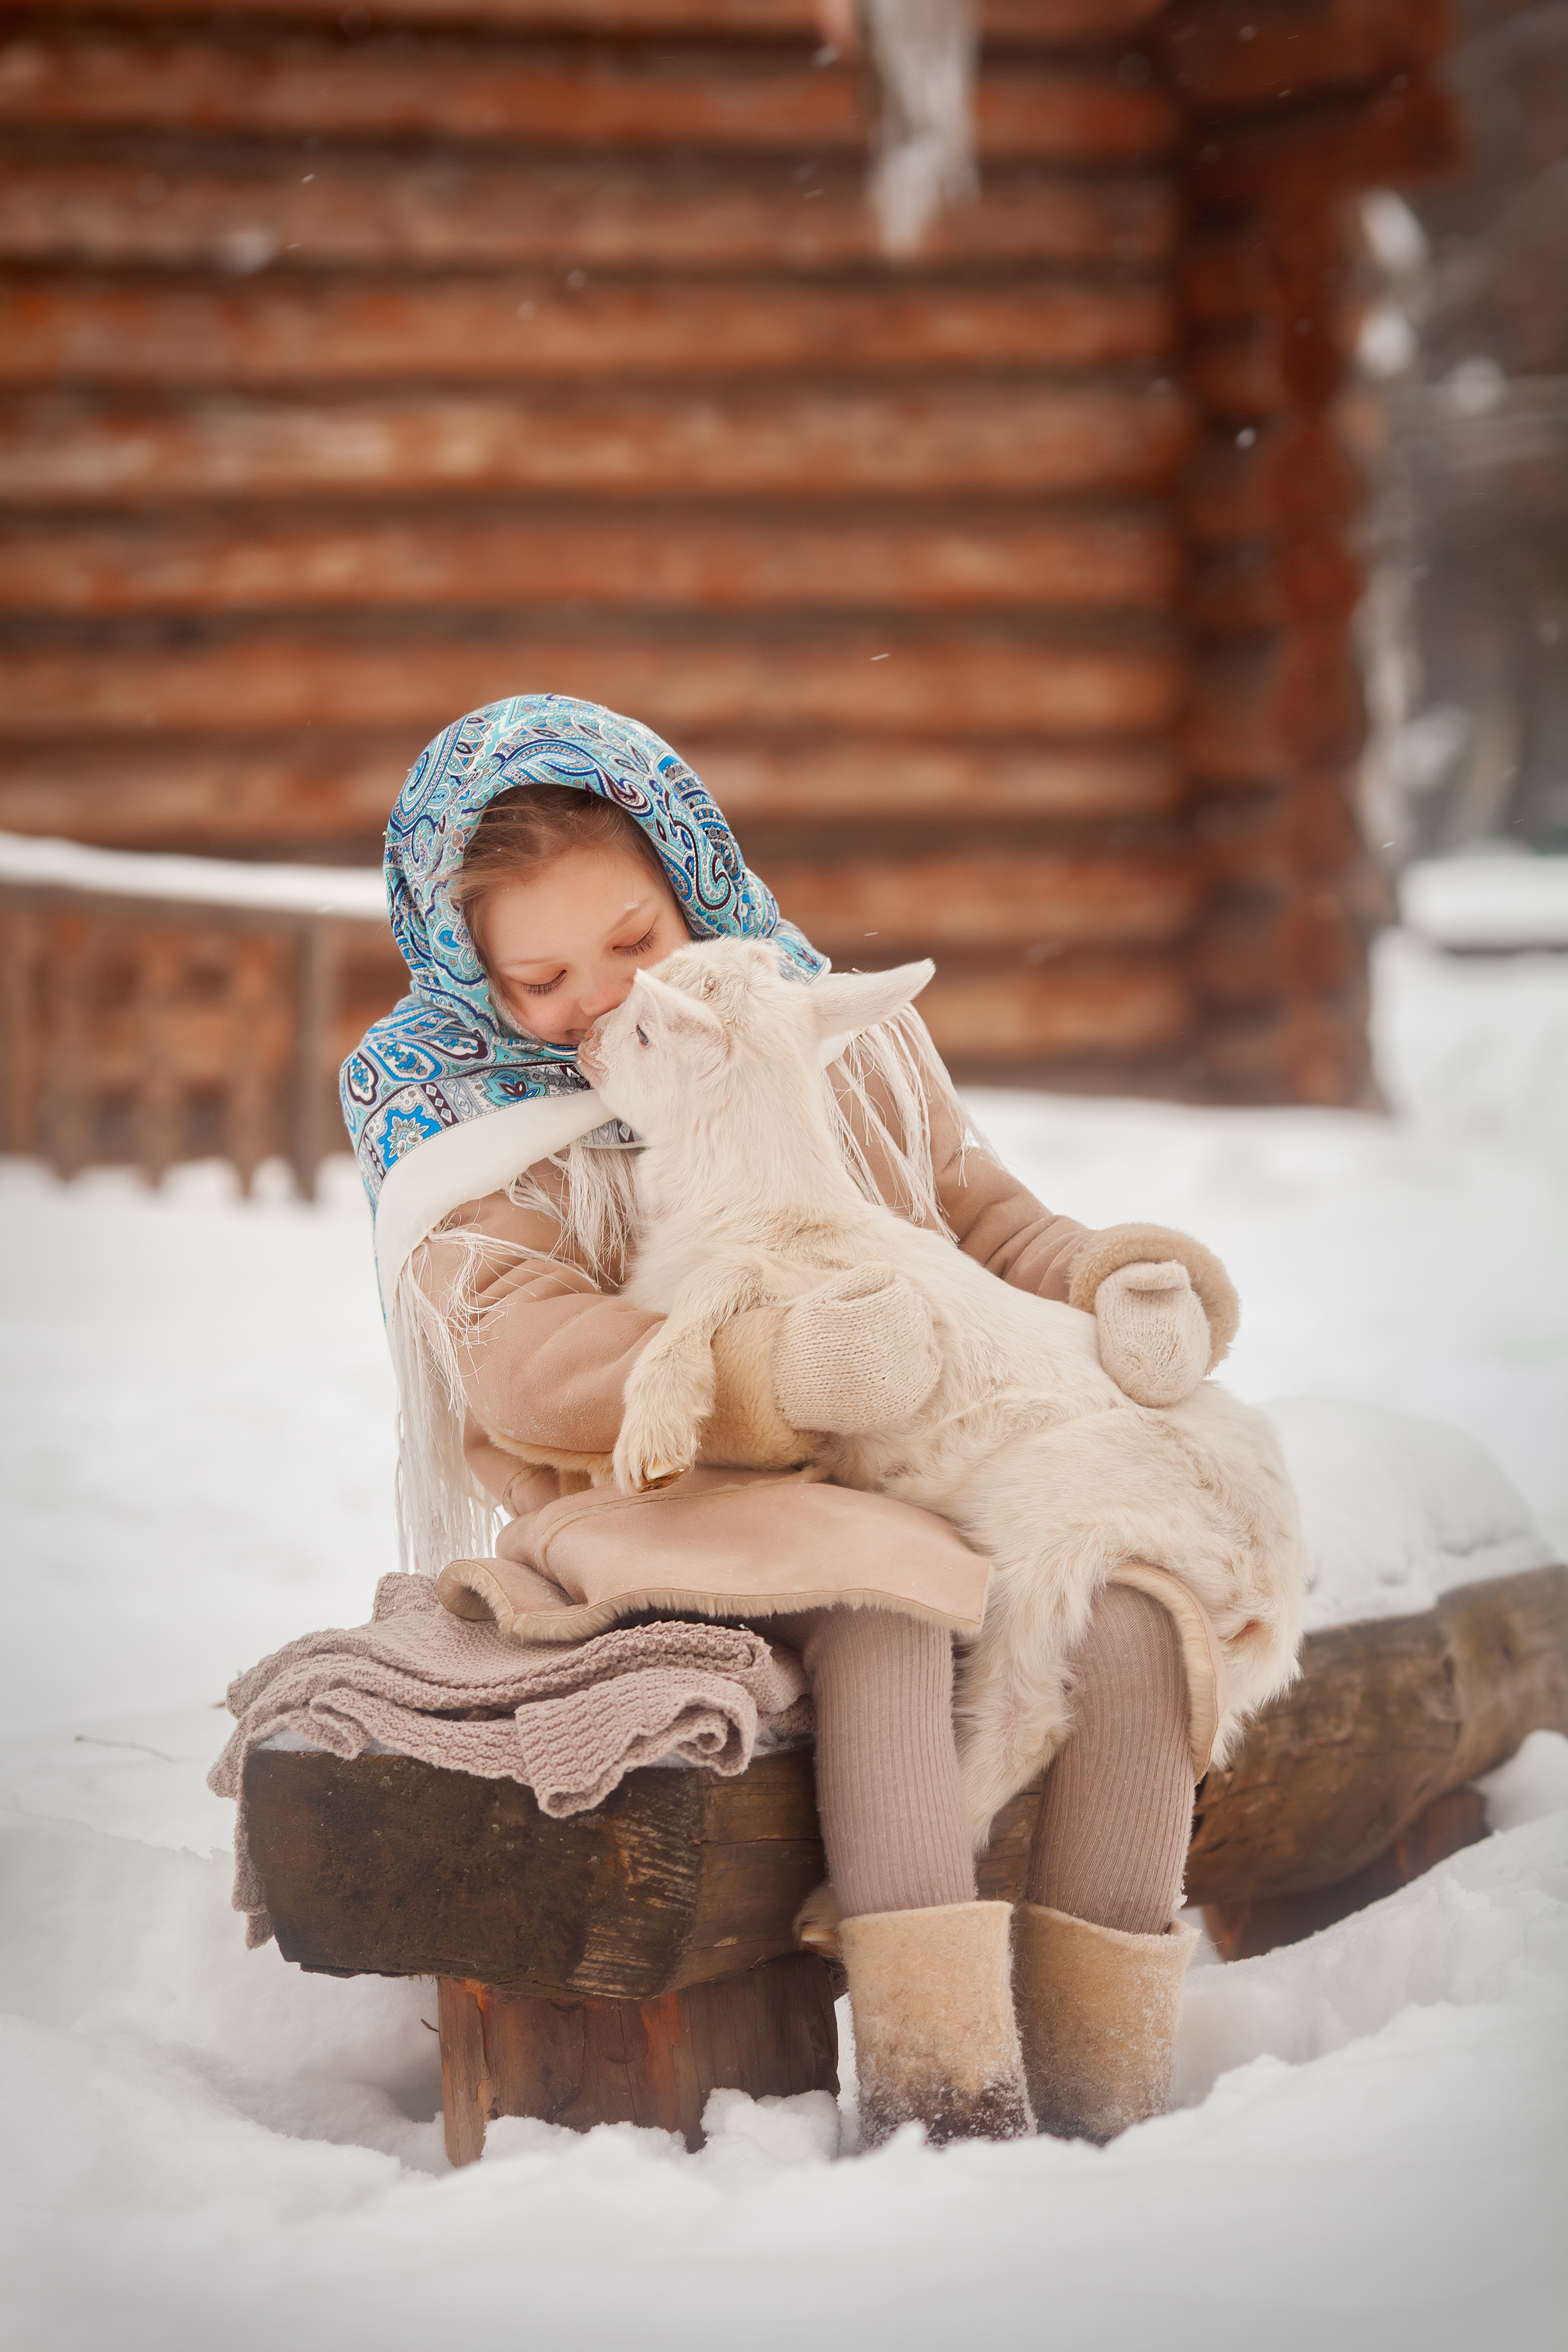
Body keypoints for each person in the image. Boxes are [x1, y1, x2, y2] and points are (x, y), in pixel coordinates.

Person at [341, 694, 1284, 2151]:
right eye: (536, 978)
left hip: (912, 1454)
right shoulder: (453, 1122)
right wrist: (774, 1372)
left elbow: (980, 1220)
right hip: (663, 1484)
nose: (597, 1001)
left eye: (631, 944)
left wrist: (1113, 1282)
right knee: (888, 1609)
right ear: (462, 968)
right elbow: (529, 1363)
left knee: (1130, 1621)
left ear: (688, 882)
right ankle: (944, 2100)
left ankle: (1106, 2102)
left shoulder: (811, 1029)